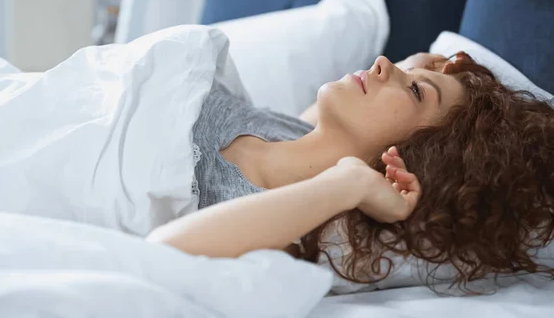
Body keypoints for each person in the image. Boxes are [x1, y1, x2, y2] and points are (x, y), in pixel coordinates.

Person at [148, 52, 554, 291]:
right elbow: (422, 58)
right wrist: (440, 75)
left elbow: (158, 256)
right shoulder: (293, 129)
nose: (383, 63)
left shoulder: (282, 221)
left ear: (423, 156)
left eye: (415, 90)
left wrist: (350, 183)